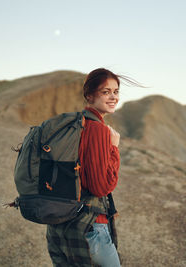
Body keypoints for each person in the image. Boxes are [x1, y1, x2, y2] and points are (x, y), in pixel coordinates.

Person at [46, 68, 144, 267]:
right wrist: (114, 149)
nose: (113, 97)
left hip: (59, 223)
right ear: (89, 95)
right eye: (105, 91)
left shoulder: (73, 124)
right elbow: (101, 187)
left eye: (116, 92)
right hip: (89, 227)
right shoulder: (97, 129)